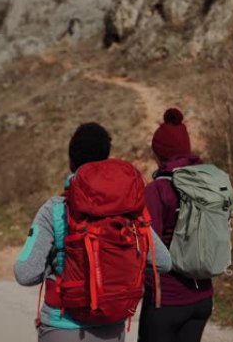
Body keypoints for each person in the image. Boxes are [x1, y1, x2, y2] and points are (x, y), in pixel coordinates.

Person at [14, 122, 172, 342]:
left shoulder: (55, 209)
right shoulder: (128, 209)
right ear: (105, 160)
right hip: (112, 328)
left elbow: (25, 273)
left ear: (71, 161)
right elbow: (164, 262)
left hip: (62, 328)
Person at [138, 108, 214, 342]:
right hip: (203, 299)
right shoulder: (207, 184)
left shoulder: (157, 190)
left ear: (157, 153)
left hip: (166, 301)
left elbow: (149, 247)